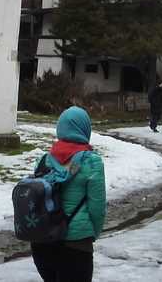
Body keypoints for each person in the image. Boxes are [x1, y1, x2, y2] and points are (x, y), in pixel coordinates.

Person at [31, 106, 106, 282]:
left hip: (42, 243)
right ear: (85, 129)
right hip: (76, 245)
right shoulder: (92, 161)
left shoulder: (44, 159)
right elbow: (97, 208)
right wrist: (90, 234)